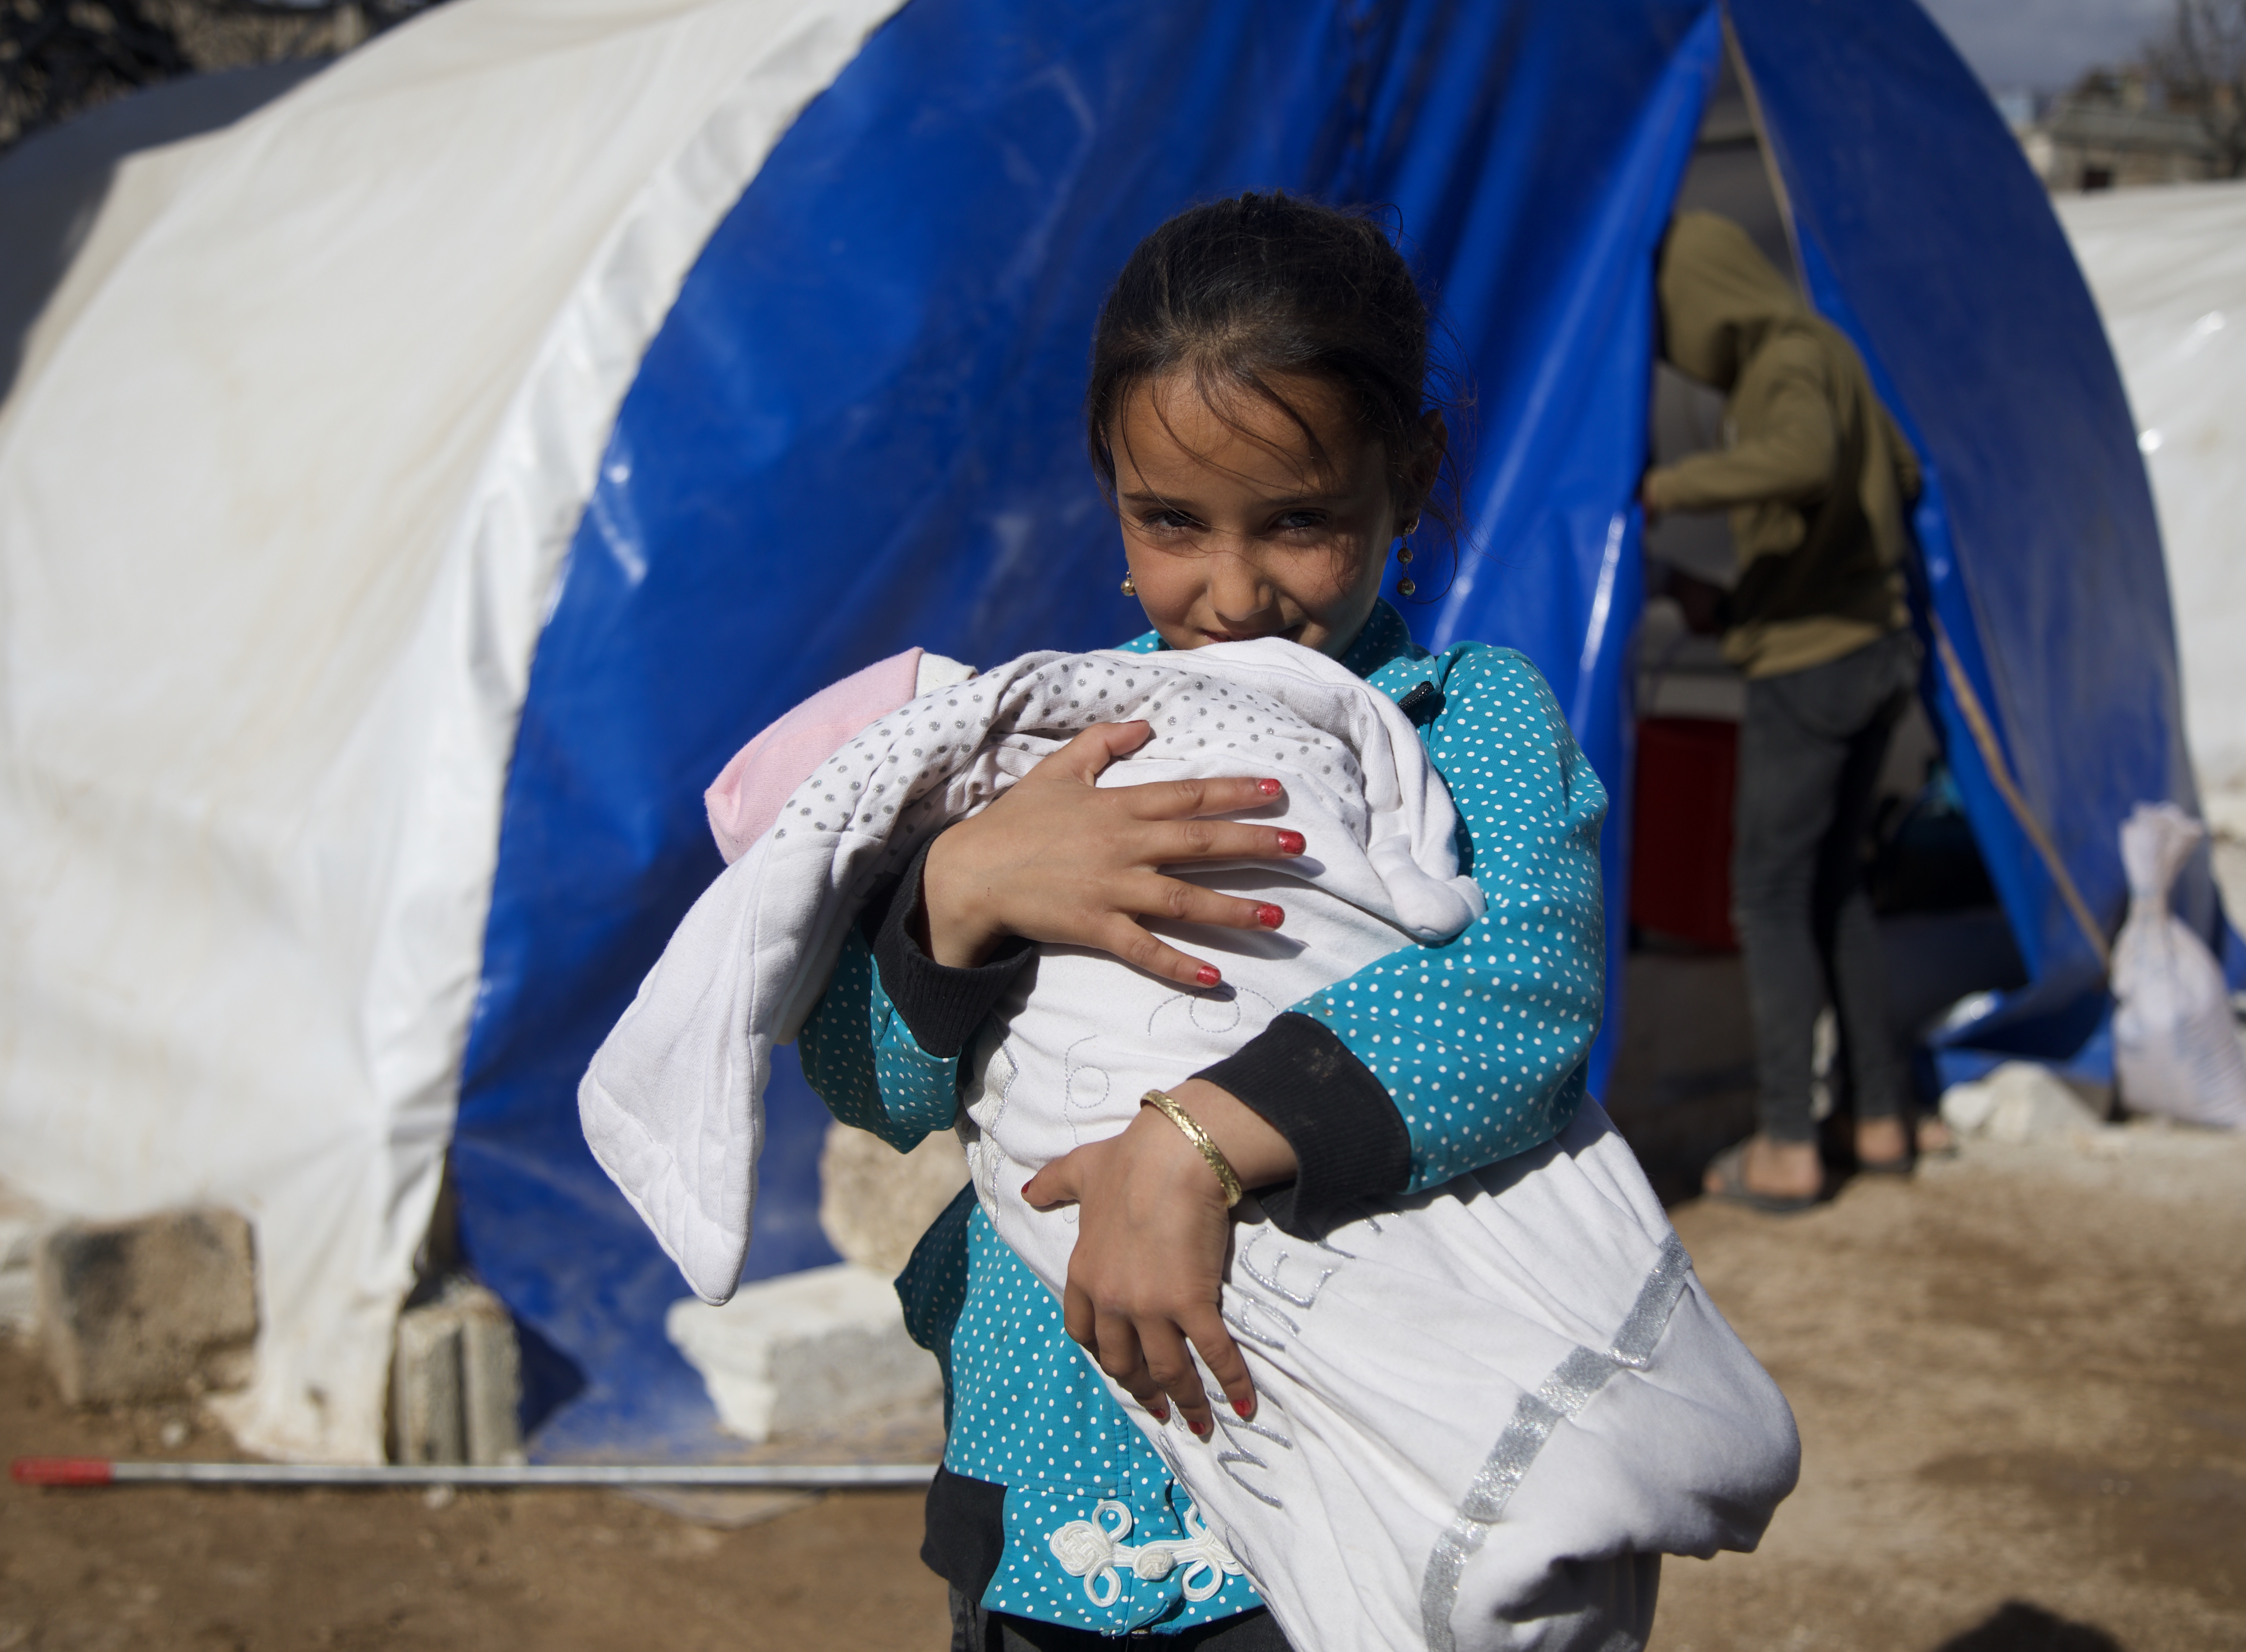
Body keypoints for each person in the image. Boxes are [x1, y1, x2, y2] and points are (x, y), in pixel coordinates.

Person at [789, 195, 1623, 1648]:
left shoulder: (1463, 725)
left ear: (1410, 473)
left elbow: (1523, 996)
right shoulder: (1038, 742)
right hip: (1050, 1485)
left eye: (1299, 522)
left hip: (1327, 1507)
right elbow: (873, 1087)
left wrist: (1196, 1144)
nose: (1232, 594)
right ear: (1109, 481)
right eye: (1171, 522)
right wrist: (962, 892)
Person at [1638, 211, 1944, 1212]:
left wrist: (1666, 487)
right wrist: (1761, 591)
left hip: (1812, 671)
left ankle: (1785, 1143)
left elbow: (1807, 461)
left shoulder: (1782, 356)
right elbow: (1892, 473)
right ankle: (1879, 1116)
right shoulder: (1834, 349)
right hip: (1872, 652)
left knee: (1766, 895)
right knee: (1834, 891)